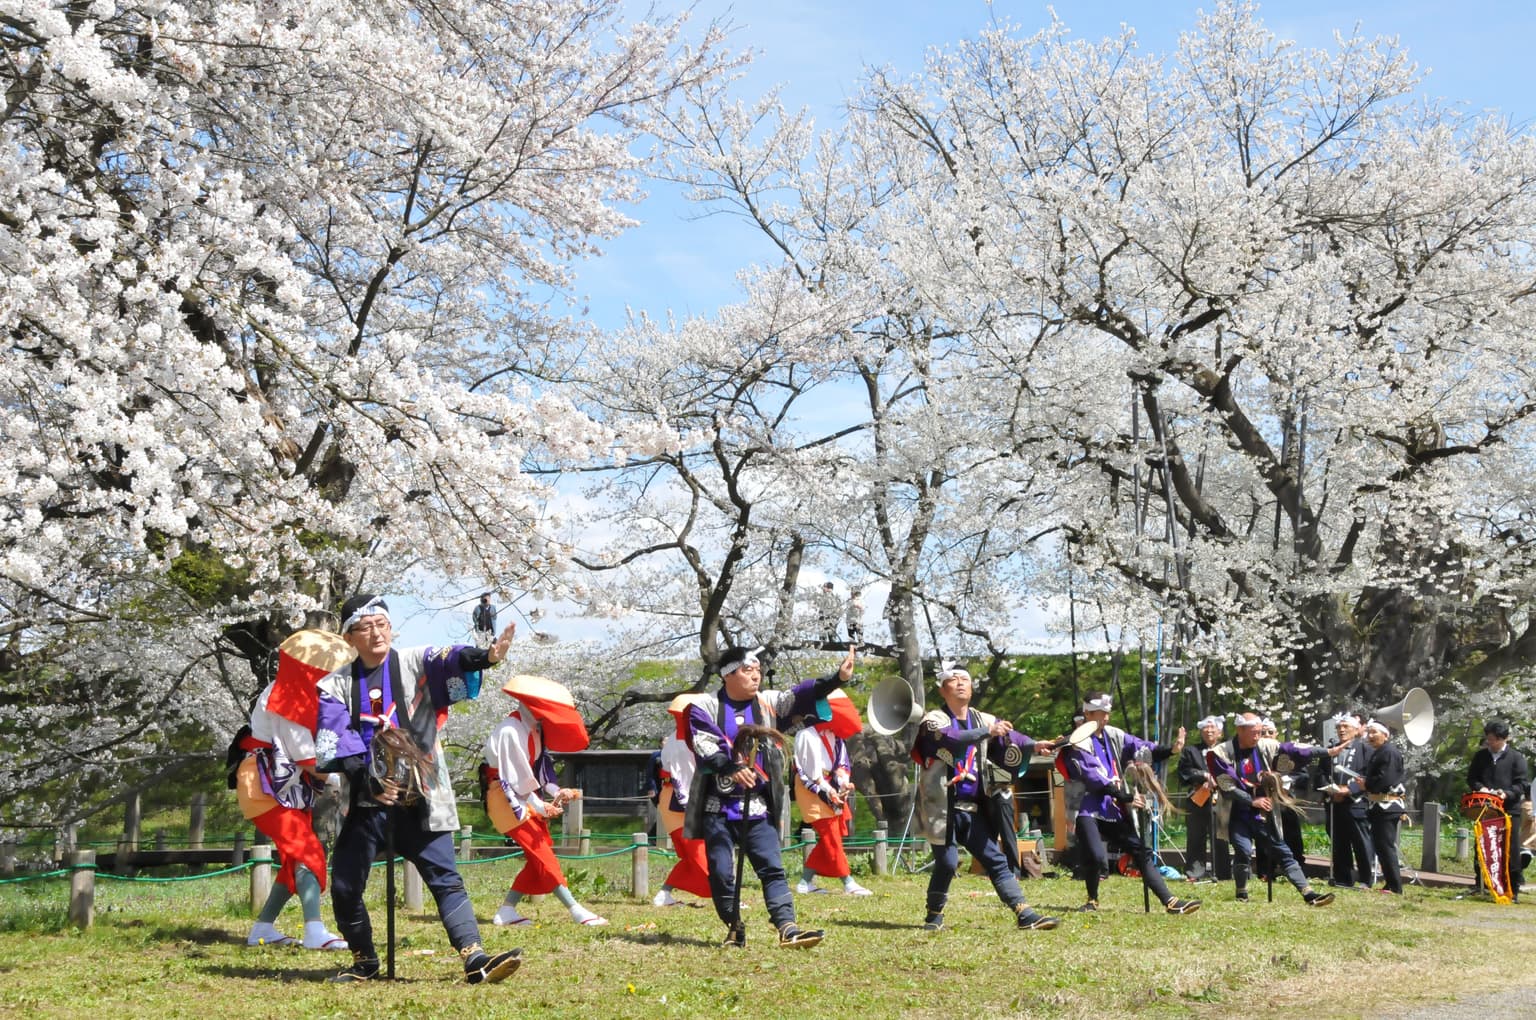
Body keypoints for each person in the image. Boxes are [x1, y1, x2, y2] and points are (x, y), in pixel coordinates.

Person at [321, 594, 522, 984]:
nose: (376, 632)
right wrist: (369, 781)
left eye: (381, 623)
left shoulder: (415, 661)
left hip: (424, 795)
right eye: (365, 627)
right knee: (345, 884)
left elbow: (449, 657)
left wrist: (486, 657)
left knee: (445, 878)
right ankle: (364, 961)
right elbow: (335, 738)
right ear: (349, 638)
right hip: (368, 800)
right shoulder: (334, 685)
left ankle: (475, 957)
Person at [683, 644, 856, 949]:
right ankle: (734, 926)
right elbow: (706, 745)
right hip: (717, 806)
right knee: (722, 873)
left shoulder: (767, 703)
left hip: (758, 804)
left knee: (772, 868)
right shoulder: (703, 707)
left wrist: (835, 680)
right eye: (748, 670)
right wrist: (732, 766)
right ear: (728, 675)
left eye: (758, 670)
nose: (756, 676)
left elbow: (798, 697)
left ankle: (787, 928)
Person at [237, 629, 364, 951]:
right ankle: (314, 930)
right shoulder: (284, 697)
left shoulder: (303, 696)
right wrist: (356, 779)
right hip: (265, 786)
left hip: (285, 786)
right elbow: (307, 758)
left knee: (296, 860)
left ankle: (262, 928)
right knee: (307, 851)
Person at [912, 664, 1059, 933]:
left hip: (973, 804)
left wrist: (1034, 744)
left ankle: (1024, 913)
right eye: (954, 679)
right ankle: (934, 914)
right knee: (946, 862)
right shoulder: (933, 720)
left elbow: (1011, 738)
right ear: (943, 689)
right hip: (941, 805)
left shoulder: (983, 719)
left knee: (995, 858)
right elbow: (950, 739)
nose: (961, 683)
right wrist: (988, 733)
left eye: (965, 679)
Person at [482, 673, 607, 927]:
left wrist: (556, 792)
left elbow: (540, 771)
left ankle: (507, 910)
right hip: (504, 797)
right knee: (541, 852)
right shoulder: (510, 730)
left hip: (522, 795)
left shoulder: (535, 730)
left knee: (539, 853)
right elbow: (515, 778)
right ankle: (575, 909)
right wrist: (541, 806)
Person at [1063, 692, 1200, 915]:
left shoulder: (1113, 734)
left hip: (1111, 806)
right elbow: (1093, 777)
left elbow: (1141, 748)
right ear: (1087, 713)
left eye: (1107, 713)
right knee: (1096, 856)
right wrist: (1125, 797)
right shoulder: (1077, 741)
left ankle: (1170, 901)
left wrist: (1171, 750)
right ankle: (1092, 898)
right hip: (1086, 806)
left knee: (1141, 851)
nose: (1105, 718)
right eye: (1100, 714)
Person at [1207, 712, 1337, 907]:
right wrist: (1252, 801)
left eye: (1260, 732)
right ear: (1240, 730)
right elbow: (1227, 786)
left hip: (1264, 812)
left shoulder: (1266, 746)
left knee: (1281, 849)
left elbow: (1294, 750)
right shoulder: (1220, 752)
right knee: (1242, 850)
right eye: (1254, 732)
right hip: (1236, 813)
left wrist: (1327, 752)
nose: (1258, 736)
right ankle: (1241, 891)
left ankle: (1308, 893)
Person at [793, 689, 872, 896]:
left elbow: (840, 765)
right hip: (812, 787)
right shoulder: (806, 735)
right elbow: (810, 773)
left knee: (834, 833)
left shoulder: (835, 736)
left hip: (830, 785)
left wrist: (844, 783)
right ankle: (848, 881)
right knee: (830, 833)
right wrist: (827, 790)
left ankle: (804, 882)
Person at [652, 694, 712, 907]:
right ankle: (726, 896)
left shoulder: (687, 738)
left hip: (682, 797)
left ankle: (664, 894)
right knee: (698, 853)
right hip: (681, 800)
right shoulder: (680, 743)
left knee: (693, 855)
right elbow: (681, 778)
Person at [1466, 718, 1530, 901]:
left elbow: (1521, 784)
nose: (1491, 743)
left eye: (1495, 739)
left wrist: (1506, 793)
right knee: (1482, 846)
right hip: (1485, 808)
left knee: (1509, 849)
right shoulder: (1481, 757)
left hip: (1509, 809)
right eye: (1489, 739)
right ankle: (1481, 884)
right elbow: (1472, 778)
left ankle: (1512, 888)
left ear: (1504, 739)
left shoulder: (1516, 758)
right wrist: (1481, 788)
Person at [1326, 713, 1376, 889]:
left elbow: (1368, 776)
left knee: (1361, 841)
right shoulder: (1331, 749)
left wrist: (1349, 790)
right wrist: (1330, 790)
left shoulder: (1365, 750)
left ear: (1356, 730)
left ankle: (1365, 878)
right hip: (1335, 802)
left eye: (1346, 727)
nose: (1341, 730)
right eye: (1339, 727)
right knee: (1339, 841)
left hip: (1356, 803)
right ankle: (1342, 877)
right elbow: (1321, 774)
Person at [1177, 715, 1229, 882]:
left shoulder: (1227, 749)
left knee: (1220, 837)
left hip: (1221, 798)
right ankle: (1194, 872)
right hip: (1198, 798)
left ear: (1220, 732)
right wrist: (1203, 775)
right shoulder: (1190, 751)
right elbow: (1184, 772)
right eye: (1205, 729)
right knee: (1195, 836)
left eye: (1213, 729)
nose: (1209, 731)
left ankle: (1222, 872)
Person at [1357, 720, 1406, 895]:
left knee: (1386, 846)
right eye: (1368, 732)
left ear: (1385, 735)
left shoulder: (1390, 752)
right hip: (1378, 806)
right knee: (1380, 846)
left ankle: (1395, 886)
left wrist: (1366, 784)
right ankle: (1390, 884)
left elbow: (1386, 779)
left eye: (1374, 732)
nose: (1370, 736)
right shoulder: (1380, 752)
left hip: (1388, 806)